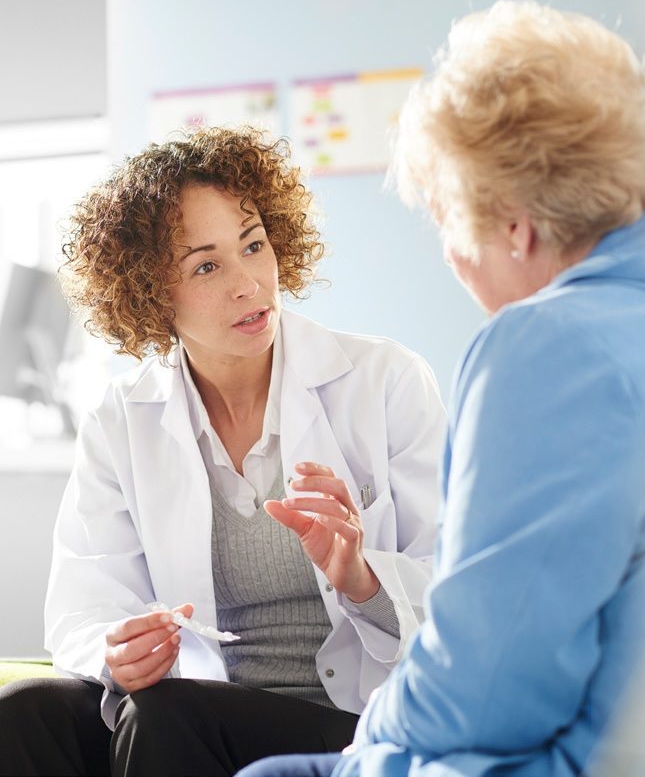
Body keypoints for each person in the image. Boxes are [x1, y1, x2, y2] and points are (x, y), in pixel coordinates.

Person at [238, 0, 645, 777]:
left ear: (513, 225)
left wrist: (370, 734)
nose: (448, 254)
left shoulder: (548, 345)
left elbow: (490, 685)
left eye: (446, 218)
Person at [0, 126, 446, 776]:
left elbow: (458, 586)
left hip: (346, 717)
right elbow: (85, 602)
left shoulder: (383, 380)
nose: (249, 284)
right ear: (149, 291)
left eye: (254, 245)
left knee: (167, 716)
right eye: (206, 265)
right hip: (183, 710)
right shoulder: (122, 419)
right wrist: (116, 652)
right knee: (24, 710)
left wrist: (360, 575)